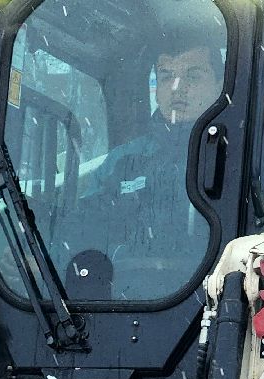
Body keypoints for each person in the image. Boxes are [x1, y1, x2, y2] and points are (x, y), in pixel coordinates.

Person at [85, 35, 224, 298]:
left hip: (210, 309)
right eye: (166, 76)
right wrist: (38, 255)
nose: (177, 88)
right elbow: (84, 226)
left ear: (219, 85)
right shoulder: (121, 163)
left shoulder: (235, 156)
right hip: (123, 306)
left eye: (192, 77)